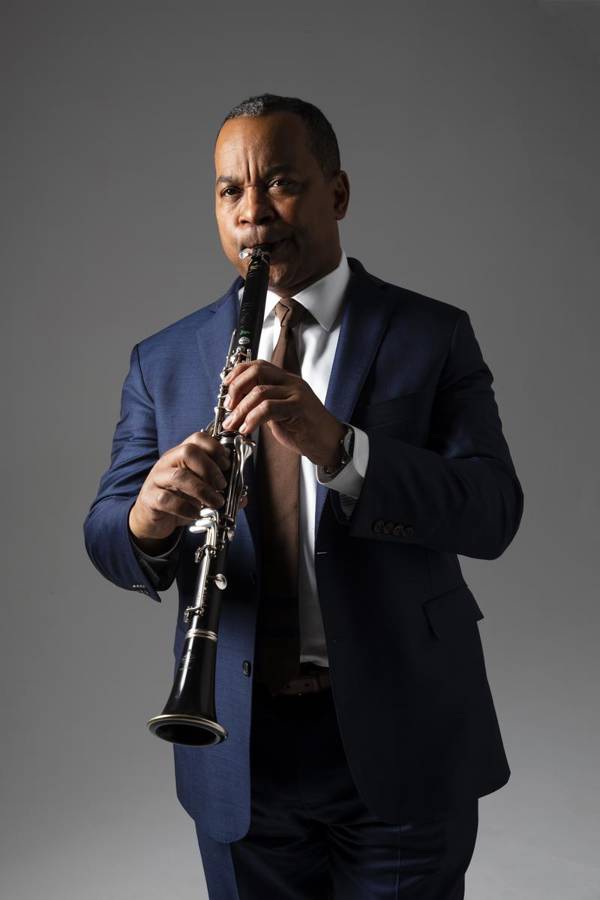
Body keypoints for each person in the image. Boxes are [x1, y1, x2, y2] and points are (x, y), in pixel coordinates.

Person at [84, 94, 524, 899]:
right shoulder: (165, 360)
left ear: (338, 193)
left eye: (280, 182)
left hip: (402, 736)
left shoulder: (432, 335)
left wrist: (342, 448)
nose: (253, 213)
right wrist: (150, 516)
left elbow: (492, 512)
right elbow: (110, 537)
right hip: (237, 745)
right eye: (229, 191)